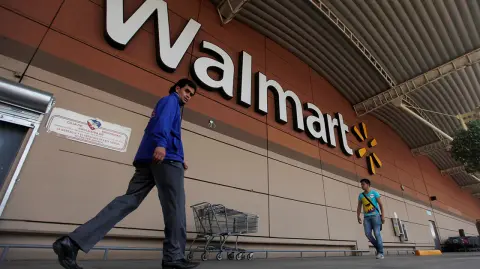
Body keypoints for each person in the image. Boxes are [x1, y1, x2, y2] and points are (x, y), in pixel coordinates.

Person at [52, 78, 199, 269]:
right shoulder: (171, 101)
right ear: (178, 88)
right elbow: (162, 125)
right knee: (176, 208)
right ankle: (174, 257)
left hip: (150, 159)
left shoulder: (167, 104)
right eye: (187, 91)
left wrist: (180, 156)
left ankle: (71, 243)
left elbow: (166, 131)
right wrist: (163, 145)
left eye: (191, 95)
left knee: (128, 200)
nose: (188, 96)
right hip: (166, 160)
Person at [357, 178, 385, 259]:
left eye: (363, 184)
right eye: (361, 184)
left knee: (377, 233)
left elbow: (381, 205)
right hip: (366, 218)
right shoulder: (361, 195)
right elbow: (359, 207)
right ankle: (379, 248)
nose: (362, 186)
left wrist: (383, 216)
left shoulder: (374, 193)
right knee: (368, 234)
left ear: (368, 184)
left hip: (376, 216)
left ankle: (381, 253)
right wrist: (358, 216)